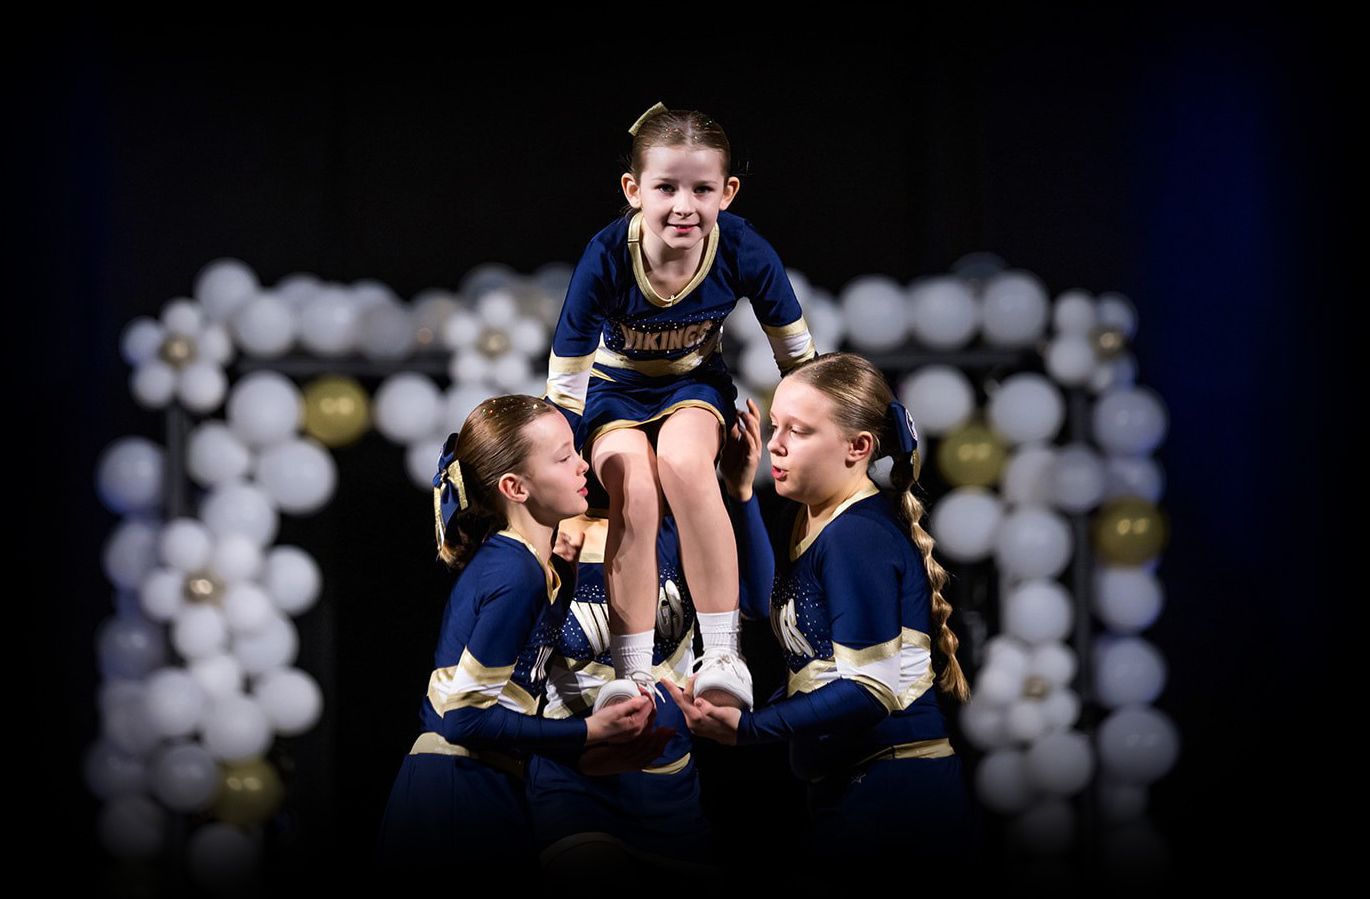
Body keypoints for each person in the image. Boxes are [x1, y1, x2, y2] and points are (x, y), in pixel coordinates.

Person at [662, 354, 985, 882]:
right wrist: (741, 494)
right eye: (775, 426)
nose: (775, 445)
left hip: (899, 797)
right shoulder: (810, 517)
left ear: (858, 447)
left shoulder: (857, 536)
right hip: (857, 788)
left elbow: (870, 688)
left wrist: (749, 729)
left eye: (799, 431)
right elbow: (761, 604)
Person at [543, 100, 817, 712]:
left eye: (702, 189)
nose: (684, 206)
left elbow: (800, 361)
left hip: (692, 384)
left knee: (686, 464)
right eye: (666, 187)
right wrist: (555, 476)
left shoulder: (742, 247)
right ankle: (633, 670)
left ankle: (721, 654)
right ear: (633, 189)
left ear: (728, 192)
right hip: (612, 391)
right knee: (635, 490)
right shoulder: (607, 255)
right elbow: (564, 386)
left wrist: (810, 433)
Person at [375, 395, 655, 884]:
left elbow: (513, 692)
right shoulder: (515, 573)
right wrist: (589, 732)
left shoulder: (528, 567)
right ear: (514, 487)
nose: (582, 465)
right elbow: (464, 719)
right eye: (563, 457)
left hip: (478, 782)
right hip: (456, 791)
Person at [525, 398, 774, 877]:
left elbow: (758, 603)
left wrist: (740, 492)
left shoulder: (674, 528)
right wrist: (550, 577)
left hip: (670, 782)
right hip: (574, 781)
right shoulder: (548, 535)